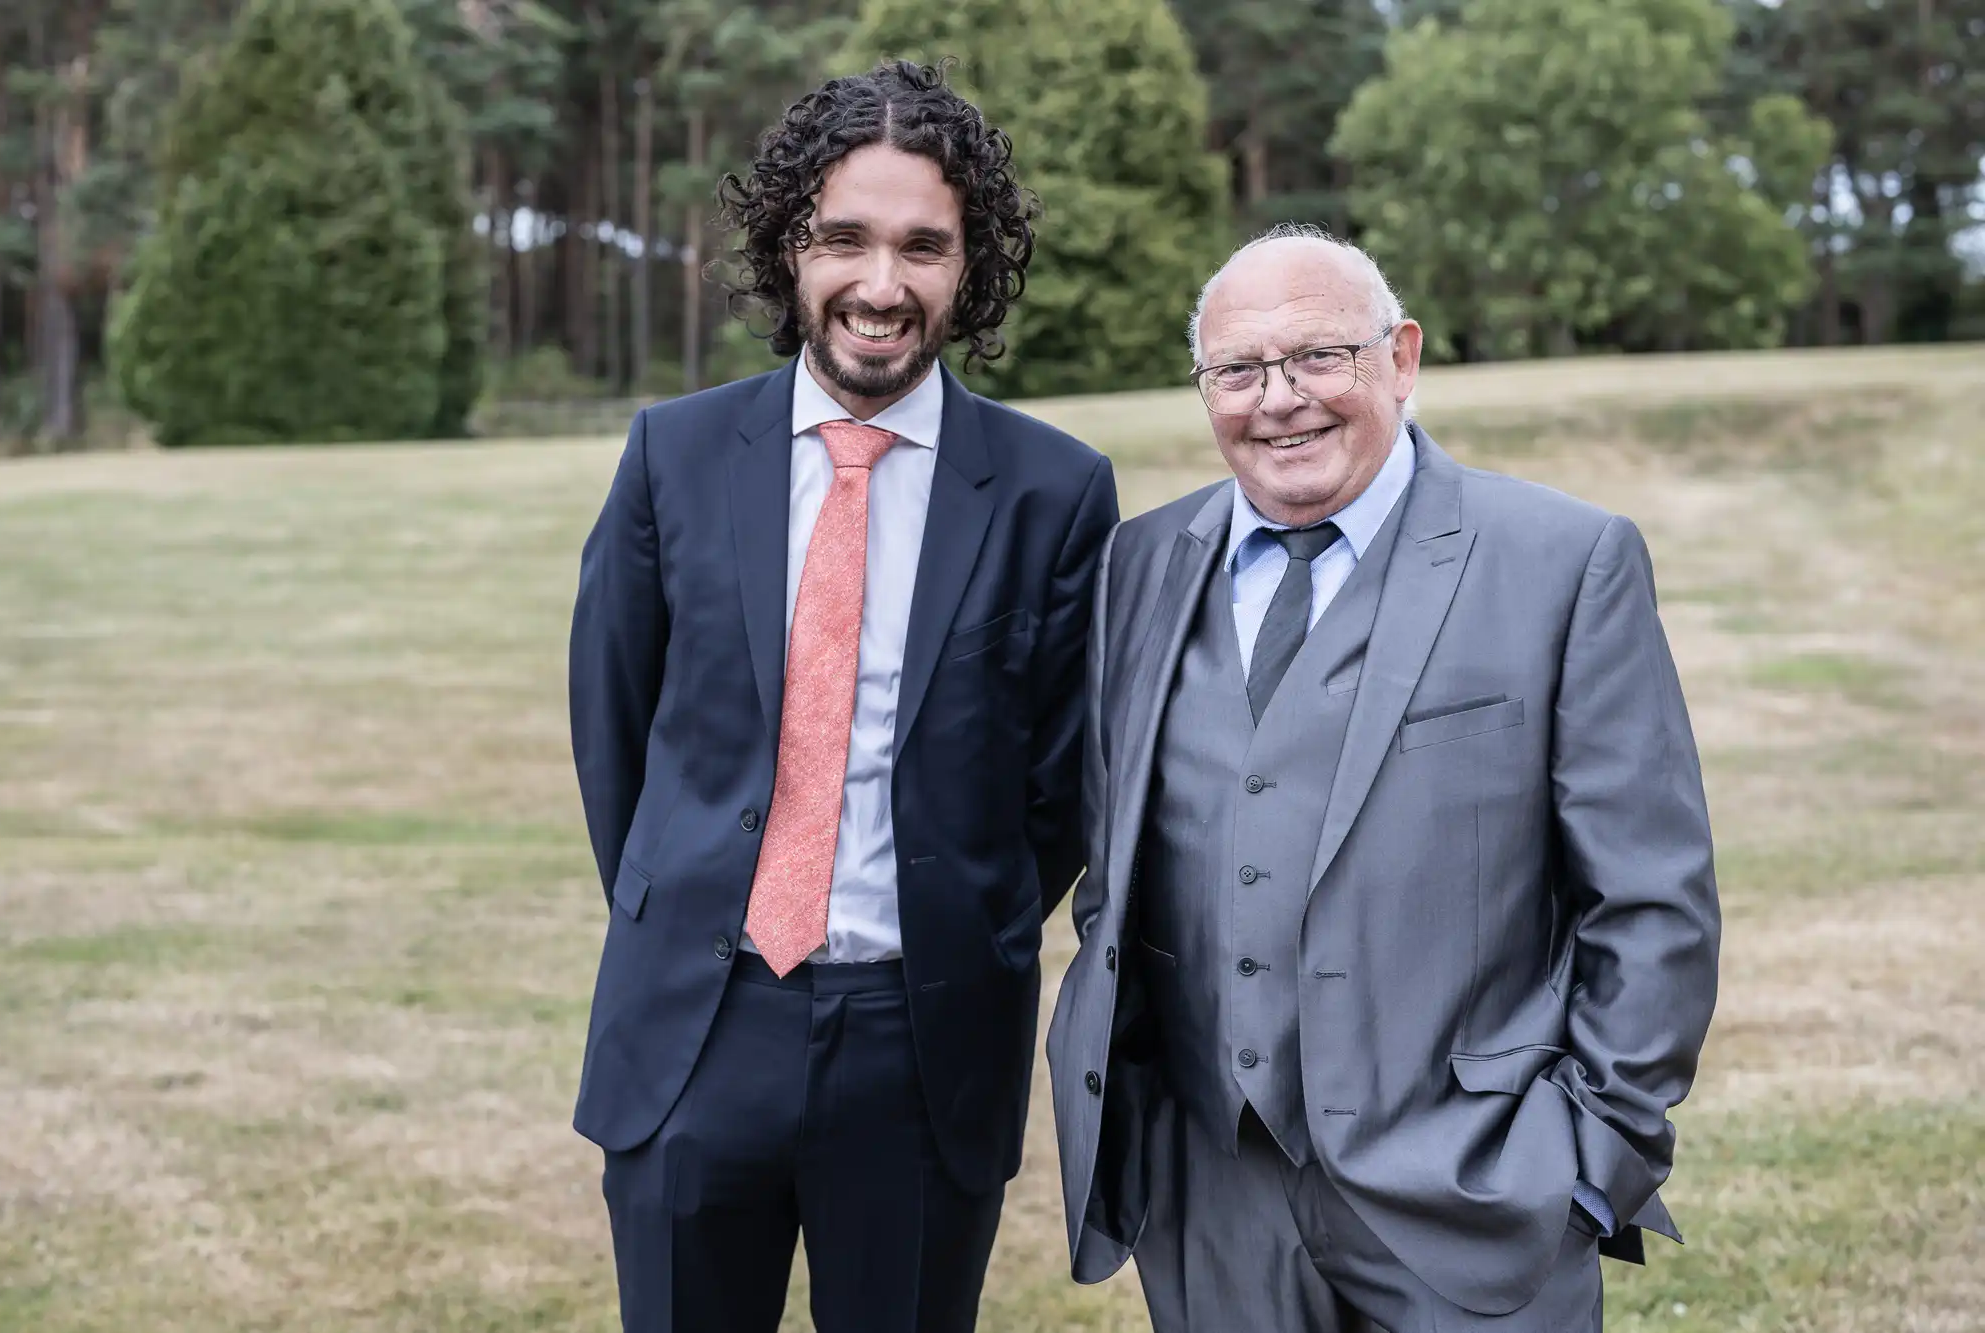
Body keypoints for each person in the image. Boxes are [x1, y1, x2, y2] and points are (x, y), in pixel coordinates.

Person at [1047, 224, 1720, 1332]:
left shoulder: (1561, 560)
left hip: (1474, 1192)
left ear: (1398, 358)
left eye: (1318, 357)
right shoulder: (1141, 563)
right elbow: (1116, 859)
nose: (1278, 400)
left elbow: (1651, 903)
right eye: (1237, 371)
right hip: (1212, 1193)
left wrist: (1586, 1165)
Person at [568, 59, 1118, 1333]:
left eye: (922, 246)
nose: (881, 284)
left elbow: (1060, 781)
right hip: (694, 1028)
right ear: (786, 247)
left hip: (921, 1047)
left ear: (968, 266)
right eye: (844, 239)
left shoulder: (1053, 491)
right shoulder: (674, 455)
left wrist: (958, 920)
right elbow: (618, 728)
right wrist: (690, 903)